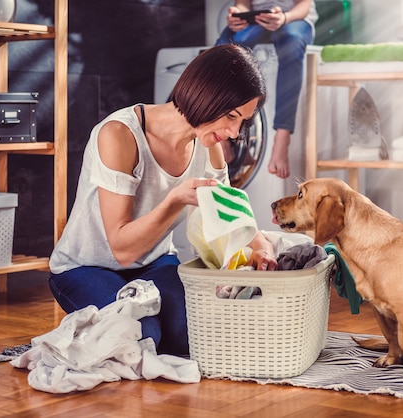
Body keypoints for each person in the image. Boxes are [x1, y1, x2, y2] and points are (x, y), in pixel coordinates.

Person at [48, 44, 278, 357]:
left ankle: (106, 325)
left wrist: (263, 248)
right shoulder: (119, 135)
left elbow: (232, 211)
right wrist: (173, 202)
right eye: (231, 116)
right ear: (205, 94)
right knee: (142, 336)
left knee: (194, 335)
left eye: (243, 122)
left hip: (155, 263)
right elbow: (122, 249)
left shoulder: (208, 147)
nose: (235, 133)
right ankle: (88, 326)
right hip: (84, 267)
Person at [216, 0, 318, 179]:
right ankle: (224, 136)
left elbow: (305, 5)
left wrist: (285, 17)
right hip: (256, 21)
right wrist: (237, 14)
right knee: (225, 49)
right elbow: (243, 4)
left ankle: (282, 139)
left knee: (291, 42)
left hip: (294, 19)